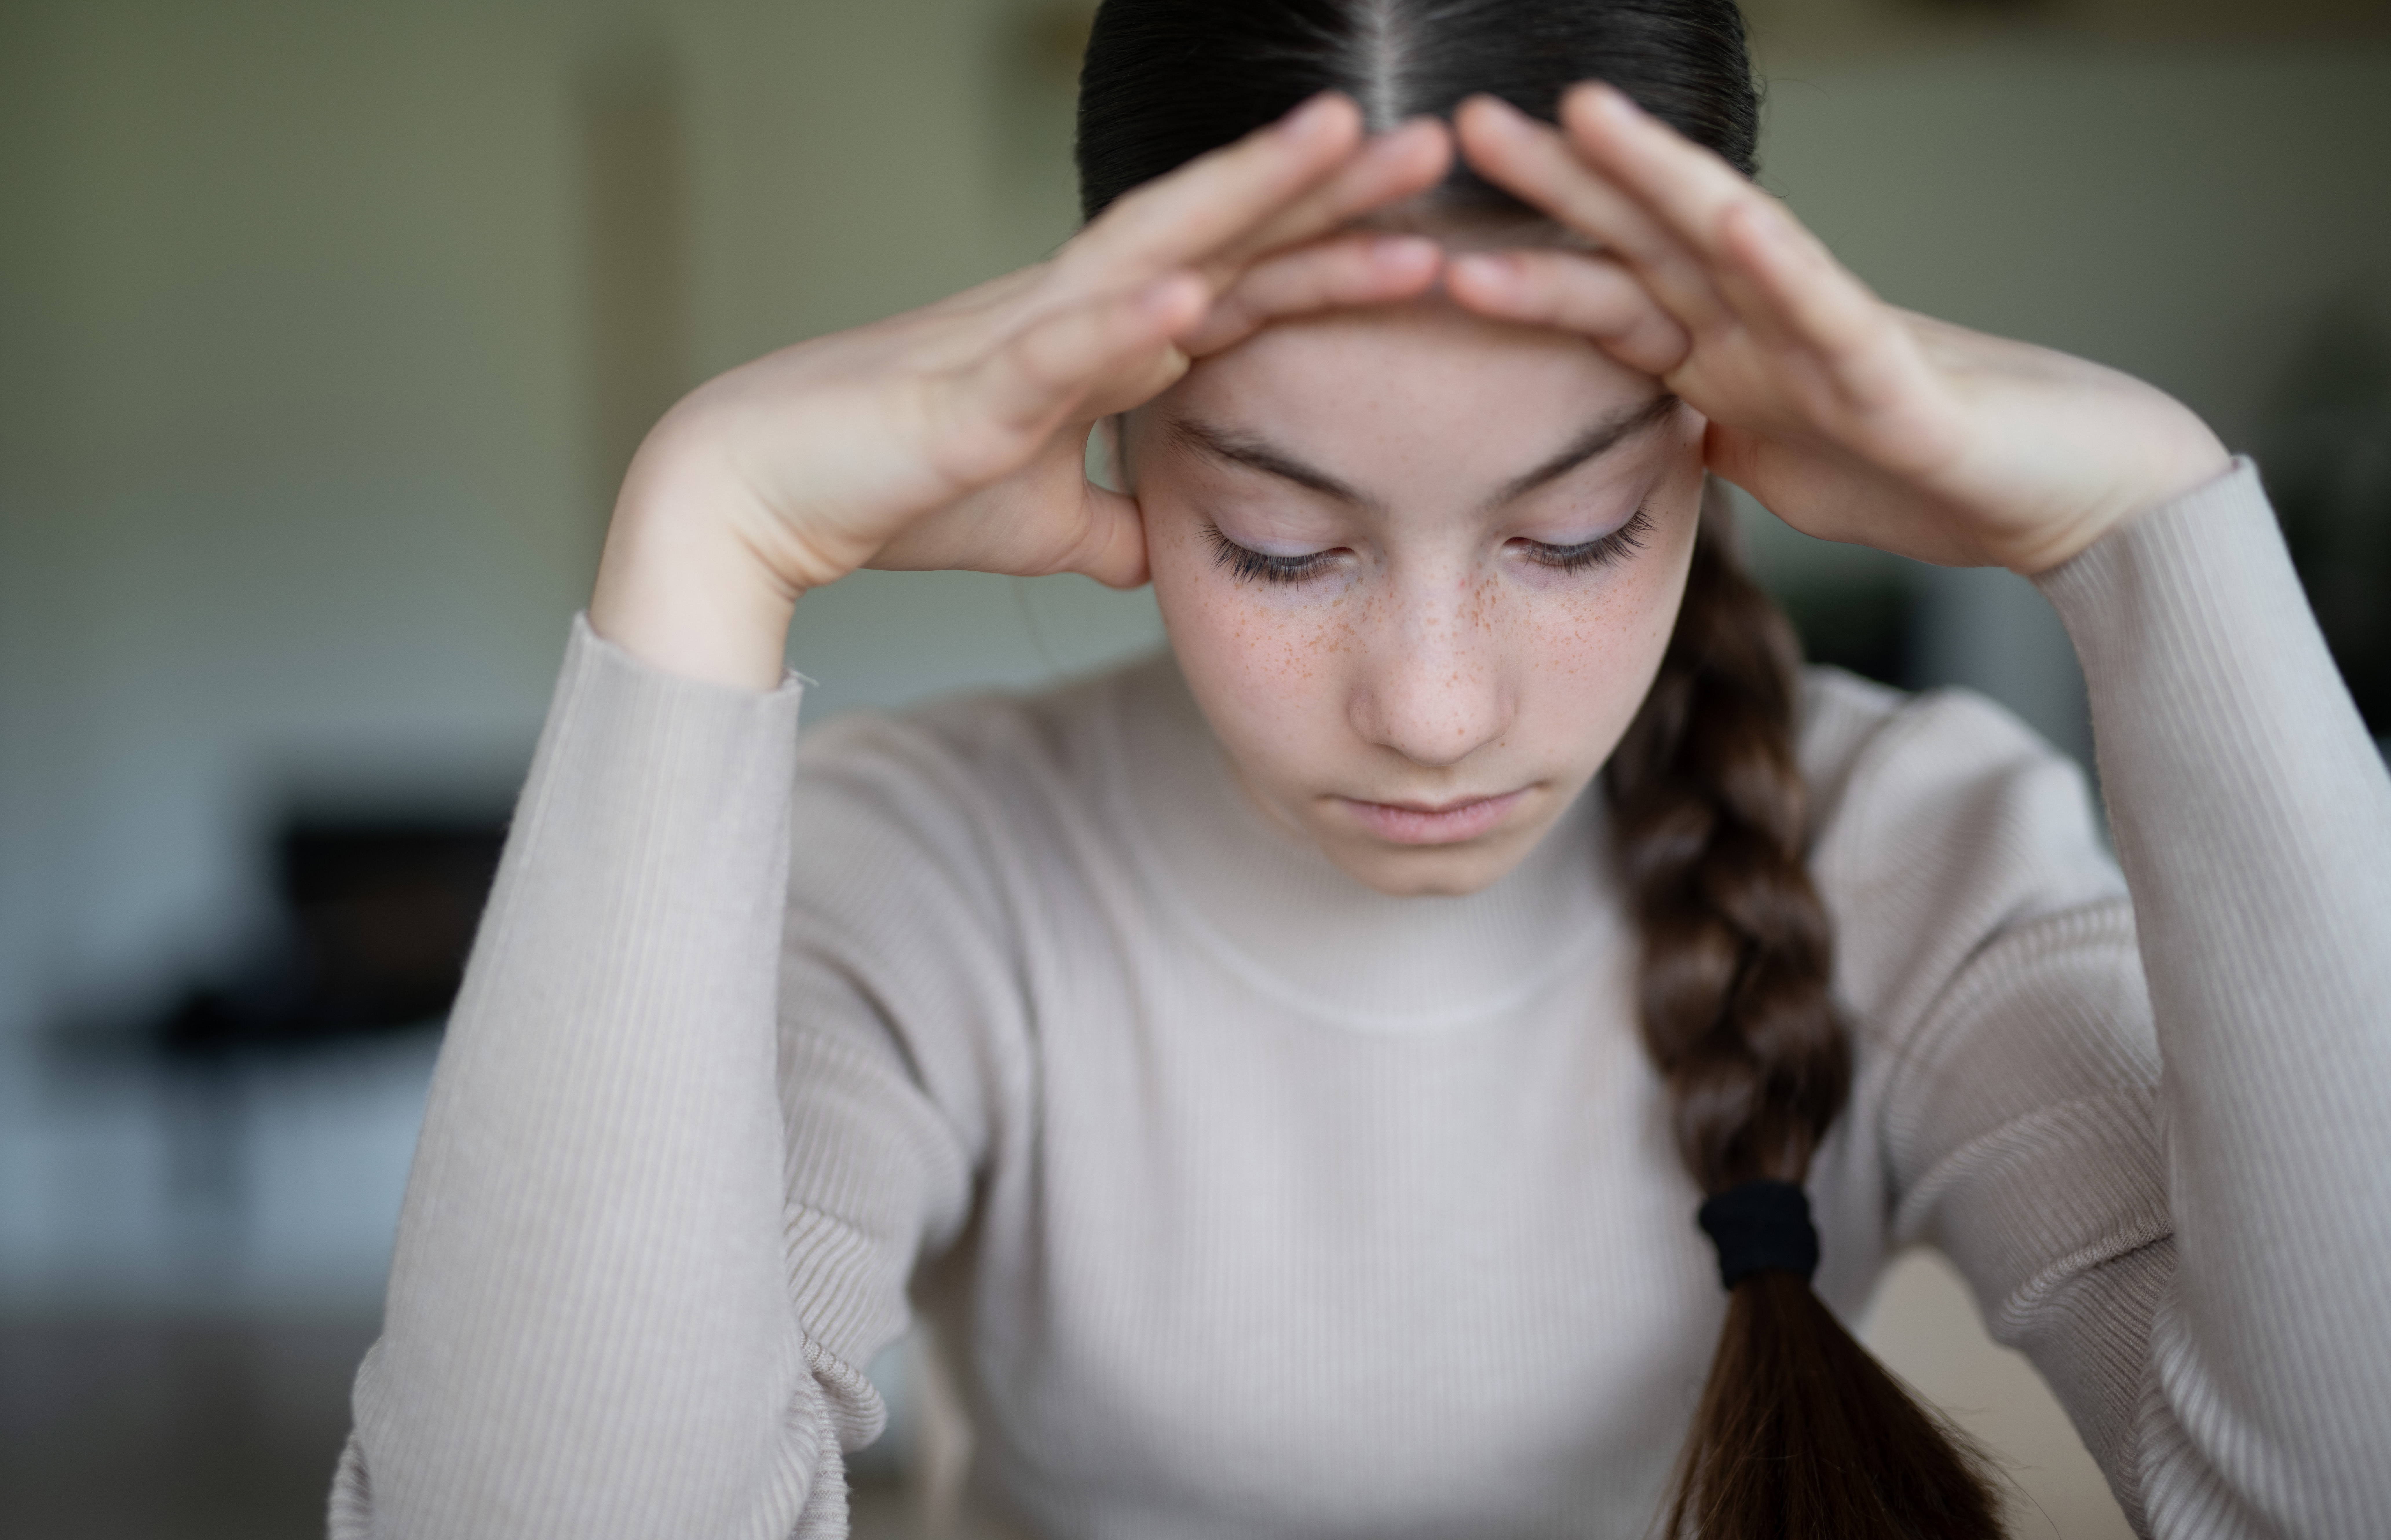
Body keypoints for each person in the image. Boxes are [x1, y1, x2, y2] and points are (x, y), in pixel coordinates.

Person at [329, 1, 2391, 1536]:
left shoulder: (1920, 858)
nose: (1430, 706)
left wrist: (2155, 536)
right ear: (1126, 440)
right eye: (1286, 546)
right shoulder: (932, 865)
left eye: (1570, 536)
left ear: (1713, 442)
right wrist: (707, 538)